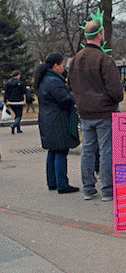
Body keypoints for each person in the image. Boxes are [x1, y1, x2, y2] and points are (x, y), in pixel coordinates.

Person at [68, 10, 123, 201]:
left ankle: (88, 188)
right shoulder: (104, 60)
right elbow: (116, 91)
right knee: (106, 150)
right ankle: (108, 189)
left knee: (88, 151)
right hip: (104, 112)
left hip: (84, 113)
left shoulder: (75, 59)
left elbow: (70, 85)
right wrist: (113, 101)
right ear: (100, 35)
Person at [35, 53, 80, 194]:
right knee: (61, 150)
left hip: (48, 119)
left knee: (53, 151)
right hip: (57, 119)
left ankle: (52, 183)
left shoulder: (45, 79)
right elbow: (65, 99)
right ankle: (62, 185)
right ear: (56, 66)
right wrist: (75, 96)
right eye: (62, 65)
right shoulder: (53, 81)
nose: (64, 67)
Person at [4, 70, 27, 134]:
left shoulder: (8, 83)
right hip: (19, 101)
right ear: (18, 75)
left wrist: (5, 100)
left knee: (16, 115)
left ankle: (18, 129)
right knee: (19, 116)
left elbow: (6, 92)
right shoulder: (20, 83)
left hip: (11, 102)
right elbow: (24, 91)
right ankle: (13, 125)